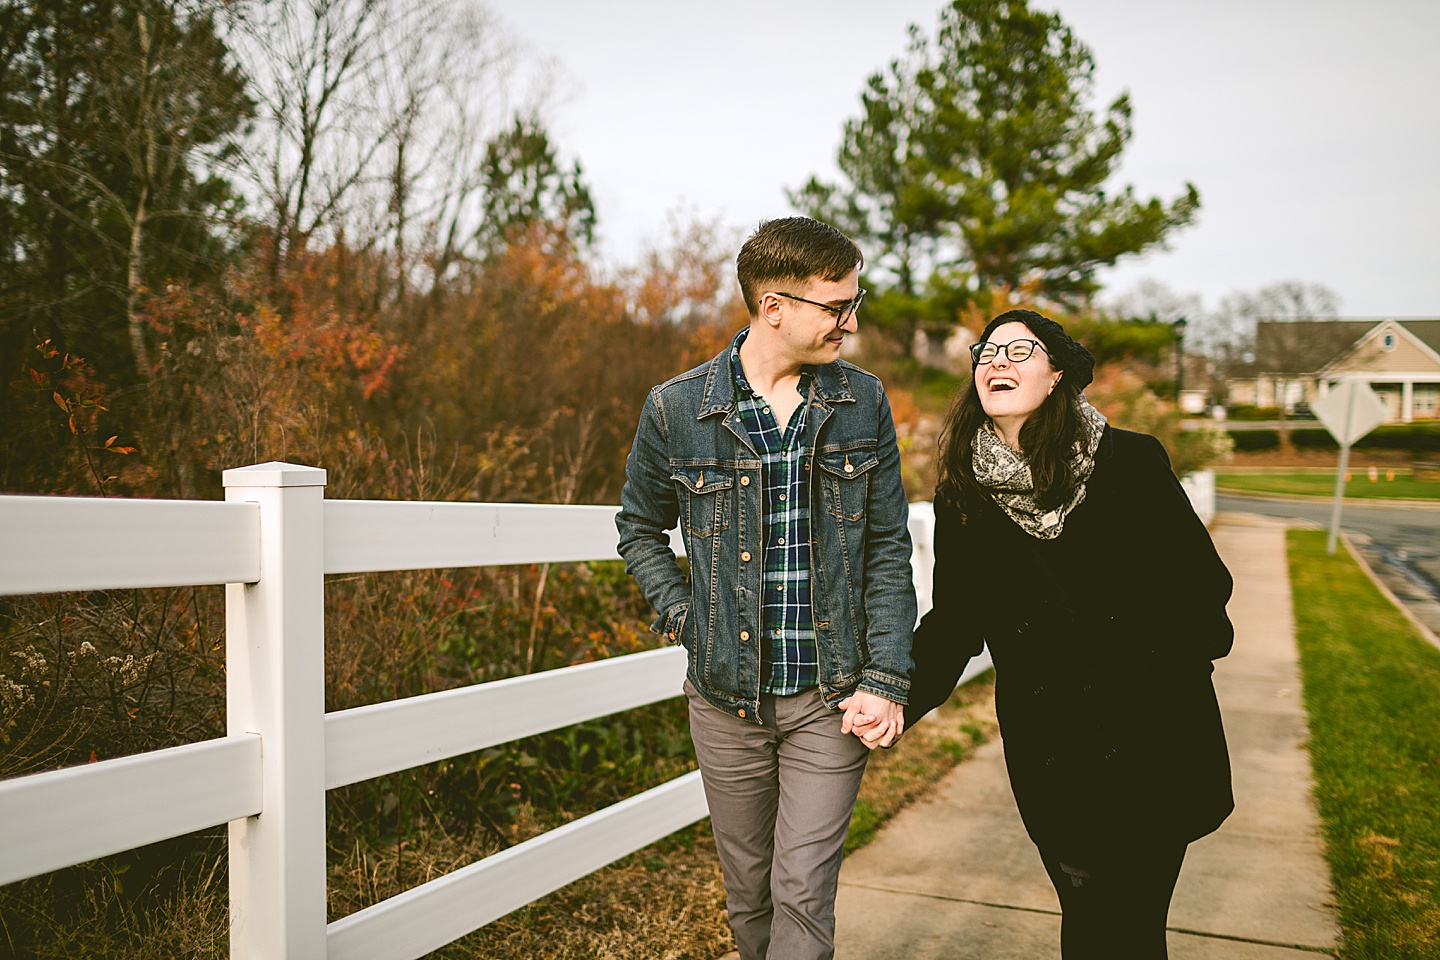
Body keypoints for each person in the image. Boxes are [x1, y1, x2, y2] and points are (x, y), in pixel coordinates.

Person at [616, 216, 916, 960]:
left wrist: (886, 675)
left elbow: (885, 546)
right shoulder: (677, 409)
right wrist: (689, 617)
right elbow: (639, 529)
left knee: (802, 892)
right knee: (748, 893)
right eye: (836, 306)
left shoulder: (860, 401)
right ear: (773, 306)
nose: (852, 320)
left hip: (831, 693)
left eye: (856, 301)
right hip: (725, 699)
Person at [905, 309, 1234, 960]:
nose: (996, 361)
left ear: (1057, 374)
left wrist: (1162, 673)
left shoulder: (1133, 462)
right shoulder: (963, 495)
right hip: (1052, 746)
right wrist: (891, 698)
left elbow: (1203, 591)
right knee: (1085, 915)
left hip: (1153, 733)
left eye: (1019, 350)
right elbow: (954, 625)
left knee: (1132, 926)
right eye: (986, 351)